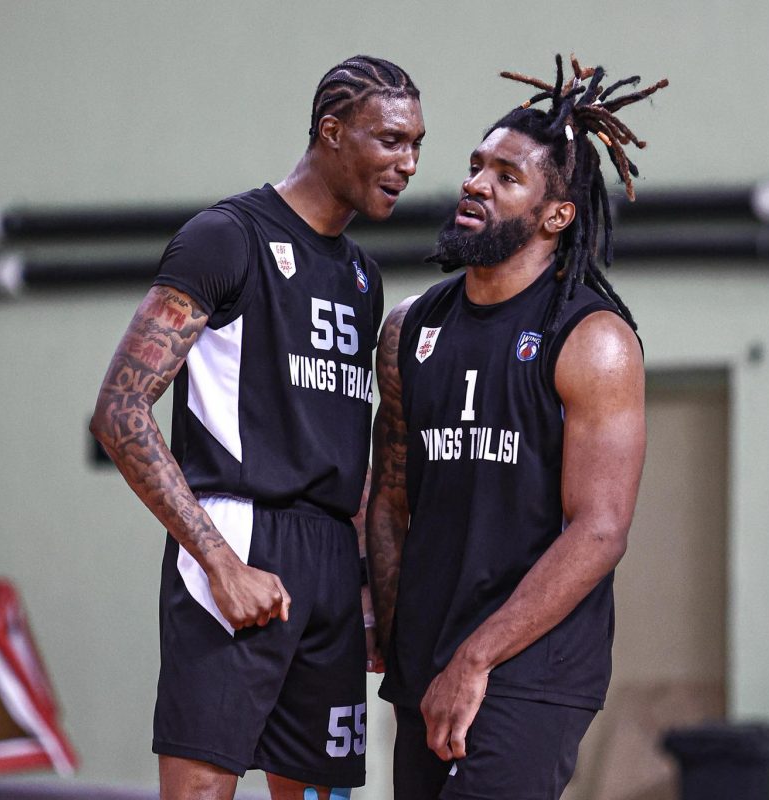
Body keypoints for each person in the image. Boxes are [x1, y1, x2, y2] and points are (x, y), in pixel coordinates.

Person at [89, 56, 424, 800]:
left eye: (416, 145)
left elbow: (346, 444)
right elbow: (119, 411)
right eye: (390, 141)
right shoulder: (227, 236)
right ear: (331, 132)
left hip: (331, 561)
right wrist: (218, 561)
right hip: (238, 536)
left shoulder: (363, 278)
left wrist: (366, 589)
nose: (408, 164)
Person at [366, 55, 667, 799]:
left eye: (507, 176)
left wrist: (477, 659)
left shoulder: (593, 341)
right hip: (426, 655)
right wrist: (386, 621)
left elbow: (599, 531)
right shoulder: (409, 328)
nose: (476, 184)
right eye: (476, 166)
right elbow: (392, 498)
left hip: (531, 666)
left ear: (556, 215)